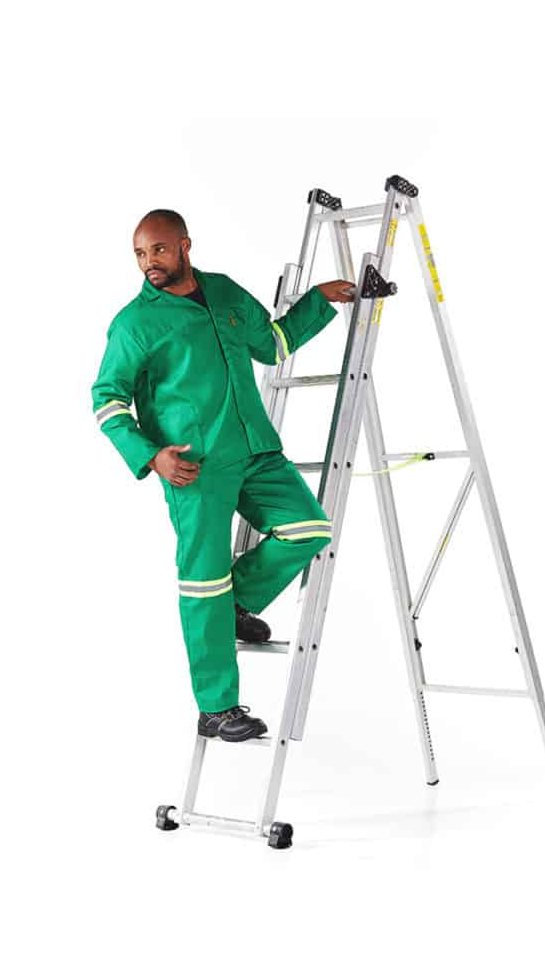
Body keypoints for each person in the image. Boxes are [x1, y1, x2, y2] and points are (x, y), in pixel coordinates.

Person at [91, 208, 356, 742]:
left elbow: (273, 345)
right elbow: (107, 400)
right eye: (140, 254)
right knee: (203, 579)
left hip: (256, 449)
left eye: (158, 249)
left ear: (184, 245)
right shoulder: (134, 324)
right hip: (194, 468)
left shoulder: (226, 292)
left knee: (309, 529)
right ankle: (216, 709)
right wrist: (152, 456)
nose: (148, 262)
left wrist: (318, 300)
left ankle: (239, 601)